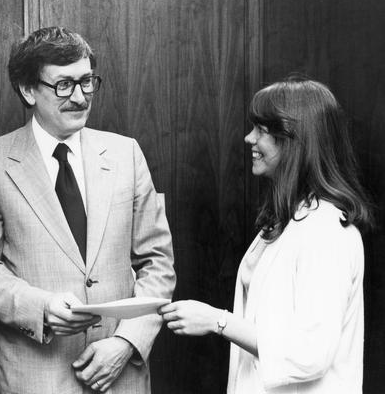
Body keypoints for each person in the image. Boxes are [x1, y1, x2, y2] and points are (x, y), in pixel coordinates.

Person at [0, 26, 176, 393]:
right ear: (28, 90)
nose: (79, 97)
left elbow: (157, 263)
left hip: (121, 374)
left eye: (87, 81)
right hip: (37, 376)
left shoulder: (127, 154)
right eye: (63, 85)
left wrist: (126, 344)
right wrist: (40, 307)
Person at [159, 77, 373, 393]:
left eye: (261, 130)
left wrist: (218, 321)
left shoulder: (327, 232)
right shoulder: (287, 222)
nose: (249, 139)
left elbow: (310, 354)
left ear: (294, 141)